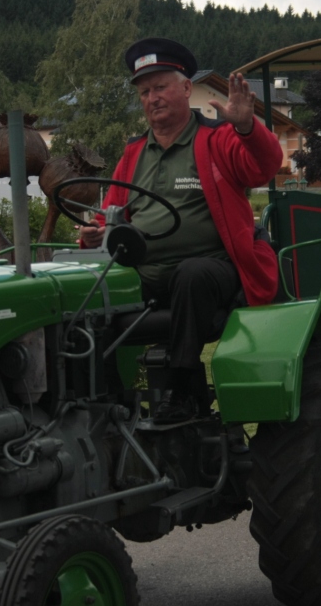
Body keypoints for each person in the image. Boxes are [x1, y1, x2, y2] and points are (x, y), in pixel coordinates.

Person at [80, 37, 282, 422]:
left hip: (213, 269)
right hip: (148, 275)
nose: (151, 98)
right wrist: (97, 232)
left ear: (186, 88)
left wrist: (247, 128)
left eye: (160, 87)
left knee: (192, 274)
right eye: (144, 92)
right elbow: (112, 214)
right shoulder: (134, 152)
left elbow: (265, 165)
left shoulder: (217, 139)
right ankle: (104, 400)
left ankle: (178, 386)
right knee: (89, 291)